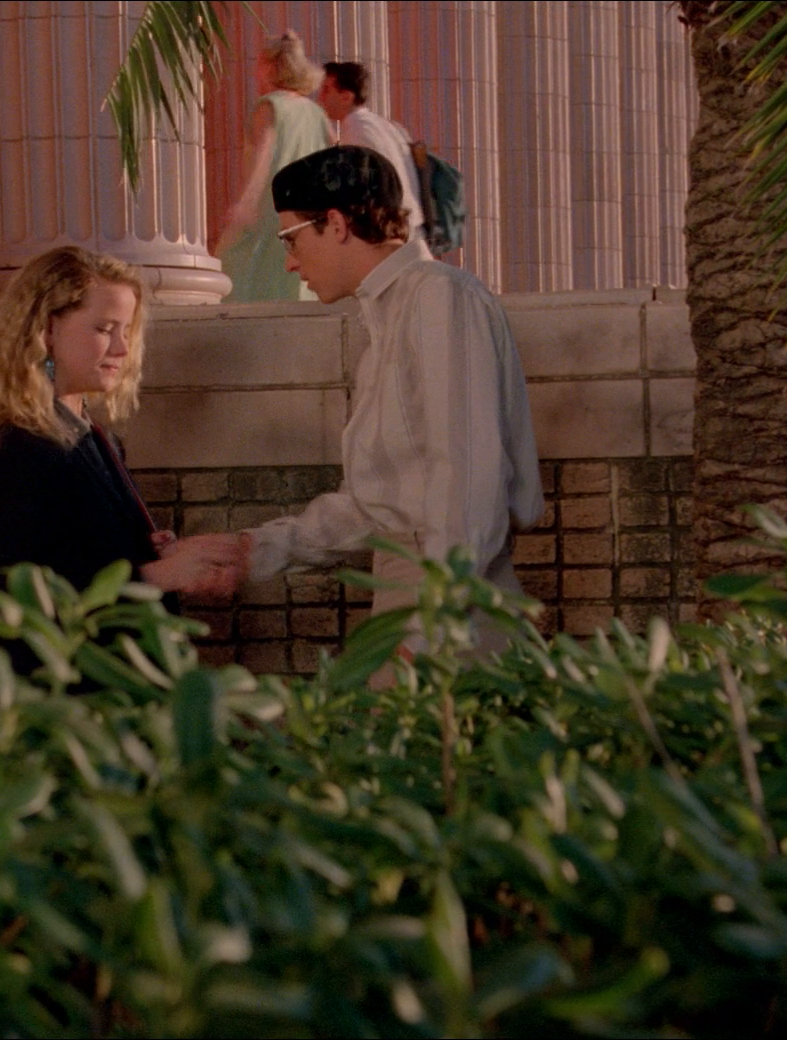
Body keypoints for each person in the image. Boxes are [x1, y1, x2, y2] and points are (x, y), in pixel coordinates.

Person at [243, 146, 543, 646]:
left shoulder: (438, 297)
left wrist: (428, 633)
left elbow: (467, 481)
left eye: (291, 239)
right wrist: (255, 550)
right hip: (420, 597)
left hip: (450, 607)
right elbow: (381, 506)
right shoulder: (392, 315)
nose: (291, 263)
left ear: (335, 224)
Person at [0, 247, 247, 606]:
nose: (122, 348)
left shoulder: (95, 435)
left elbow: (83, 557)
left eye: (127, 331)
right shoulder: (21, 448)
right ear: (47, 329)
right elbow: (16, 595)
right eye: (105, 329)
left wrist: (148, 551)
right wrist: (157, 575)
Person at [216, 31, 332, 302]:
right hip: (309, 215)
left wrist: (245, 204)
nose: (255, 73)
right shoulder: (317, 113)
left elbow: (263, 158)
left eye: (259, 65)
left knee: (234, 274)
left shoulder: (270, 106)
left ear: (271, 67)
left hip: (272, 211)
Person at [318, 61, 423, 239]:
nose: (320, 98)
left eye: (326, 90)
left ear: (346, 97)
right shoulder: (382, 125)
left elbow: (356, 187)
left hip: (392, 232)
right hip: (409, 227)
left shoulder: (357, 128)